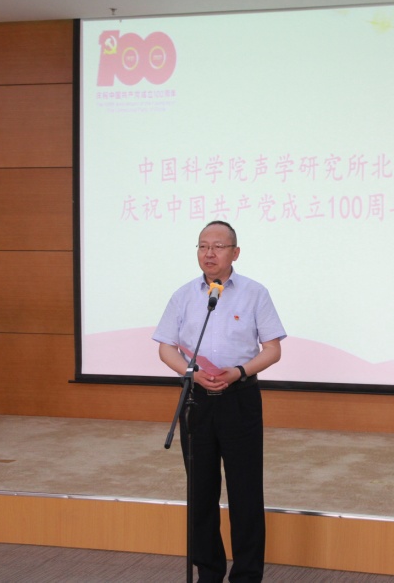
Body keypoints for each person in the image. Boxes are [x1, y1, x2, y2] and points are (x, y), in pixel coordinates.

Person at [153, 220, 286, 583]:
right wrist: (191, 373)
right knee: (200, 492)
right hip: (196, 399)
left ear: (235, 253)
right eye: (202, 246)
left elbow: (272, 349)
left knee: (245, 492)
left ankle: (246, 575)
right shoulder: (183, 295)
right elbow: (166, 347)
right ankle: (208, 573)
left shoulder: (255, 293)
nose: (209, 253)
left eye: (218, 246)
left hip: (239, 399)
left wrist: (239, 372)